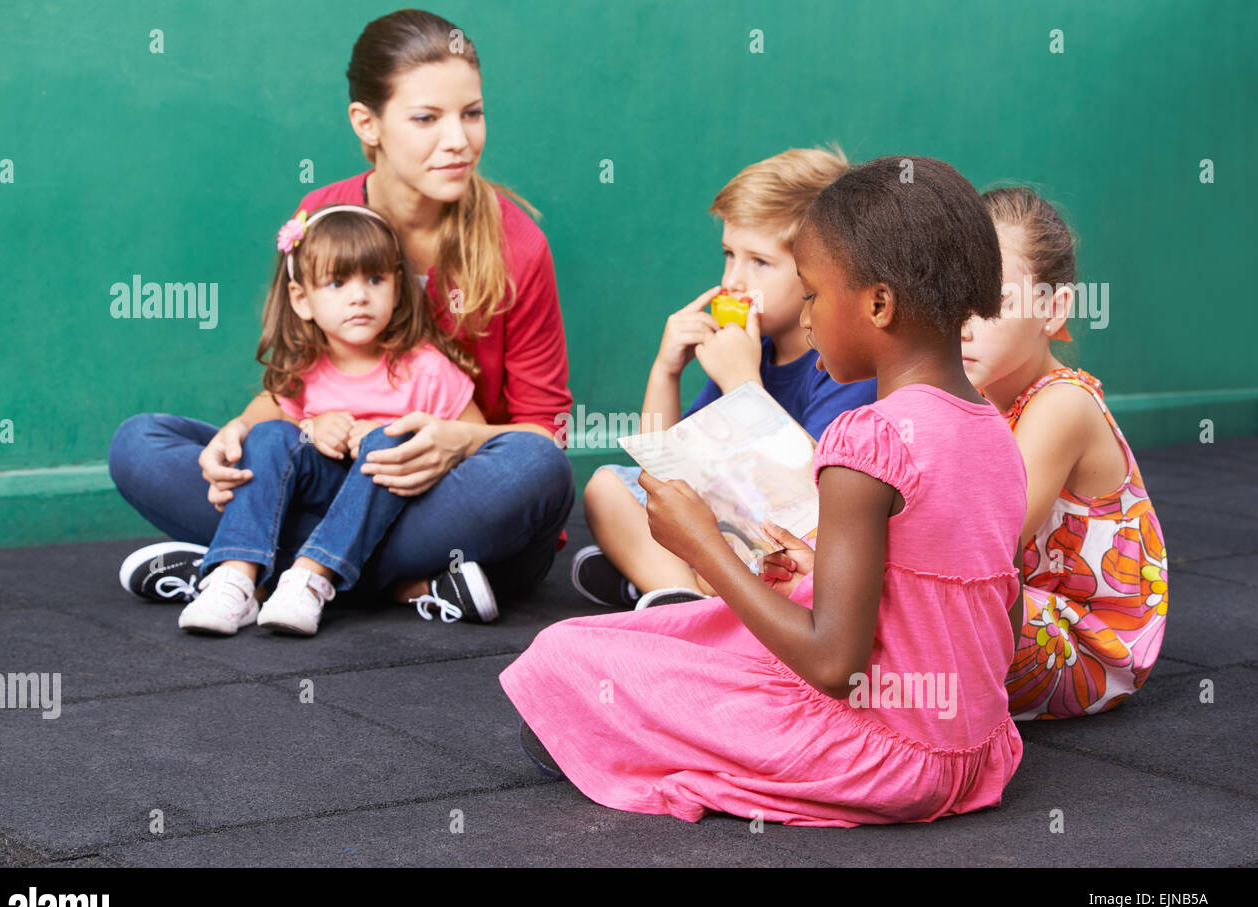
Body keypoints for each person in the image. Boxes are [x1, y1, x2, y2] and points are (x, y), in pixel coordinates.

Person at [501, 156, 1029, 827]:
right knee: (710, 625)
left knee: (564, 656)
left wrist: (702, 546)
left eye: (812, 295)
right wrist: (825, 570)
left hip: (882, 755)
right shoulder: (995, 433)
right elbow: (998, 617)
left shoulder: (865, 439)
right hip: (979, 750)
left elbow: (835, 664)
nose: (806, 319)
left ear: (878, 304)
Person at [111, 10, 574, 622]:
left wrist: (461, 442)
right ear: (368, 122)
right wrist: (237, 435)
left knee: (539, 471)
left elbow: (546, 431)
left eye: (472, 112)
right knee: (138, 443)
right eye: (426, 118)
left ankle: (245, 565)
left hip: (438, 500)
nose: (459, 139)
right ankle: (382, 580)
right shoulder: (322, 215)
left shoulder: (519, 247)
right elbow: (296, 382)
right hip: (326, 477)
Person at [573, 148, 876, 611]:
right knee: (608, 488)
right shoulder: (752, 348)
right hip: (732, 526)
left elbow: (813, 501)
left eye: (759, 262)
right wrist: (665, 370)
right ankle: (680, 598)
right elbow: (665, 474)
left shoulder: (844, 364)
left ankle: (663, 585)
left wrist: (743, 384)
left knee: (754, 552)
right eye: (729, 255)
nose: (733, 280)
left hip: (797, 541)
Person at [179, 204, 496, 636]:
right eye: (336, 282)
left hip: (401, 514)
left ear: (398, 288)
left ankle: (310, 577)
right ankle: (234, 578)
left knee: (387, 441)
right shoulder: (306, 368)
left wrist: (399, 435)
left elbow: (480, 444)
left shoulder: (425, 369)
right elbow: (255, 430)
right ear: (301, 299)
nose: (359, 296)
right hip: (319, 501)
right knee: (271, 435)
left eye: (375, 279)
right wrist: (306, 429)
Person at [962, 186, 1167, 719]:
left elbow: (987, 544)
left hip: (1085, 644)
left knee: (915, 601)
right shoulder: (977, 396)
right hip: (1022, 612)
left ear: (1052, 310)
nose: (963, 321)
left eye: (992, 300)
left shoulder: (1063, 403)